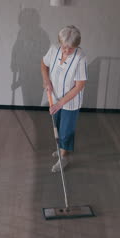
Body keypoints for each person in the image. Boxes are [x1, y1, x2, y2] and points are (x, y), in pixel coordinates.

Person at [41, 25, 87, 172]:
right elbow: (43, 64)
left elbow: (79, 86)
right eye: (64, 47)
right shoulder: (54, 49)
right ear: (59, 43)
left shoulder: (80, 57)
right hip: (53, 97)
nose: (66, 51)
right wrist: (46, 80)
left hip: (70, 101)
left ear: (77, 46)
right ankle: (61, 149)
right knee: (58, 126)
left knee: (66, 130)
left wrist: (60, 103)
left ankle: (64, 157)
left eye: (71, 48)